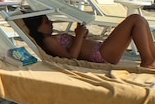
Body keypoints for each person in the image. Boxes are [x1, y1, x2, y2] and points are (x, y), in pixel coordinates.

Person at [22, 13, 155, 68]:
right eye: (46, 22)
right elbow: (71, 57)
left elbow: (77, 48)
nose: (51, 23)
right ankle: (147, 61)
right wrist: (79, 36)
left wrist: (81, 37)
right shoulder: (48, 41)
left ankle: (152, 59)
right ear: (37, 29)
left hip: (101, 50)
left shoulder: (52, 38)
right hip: (101, 55)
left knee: (140, 21)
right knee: (135, 19)